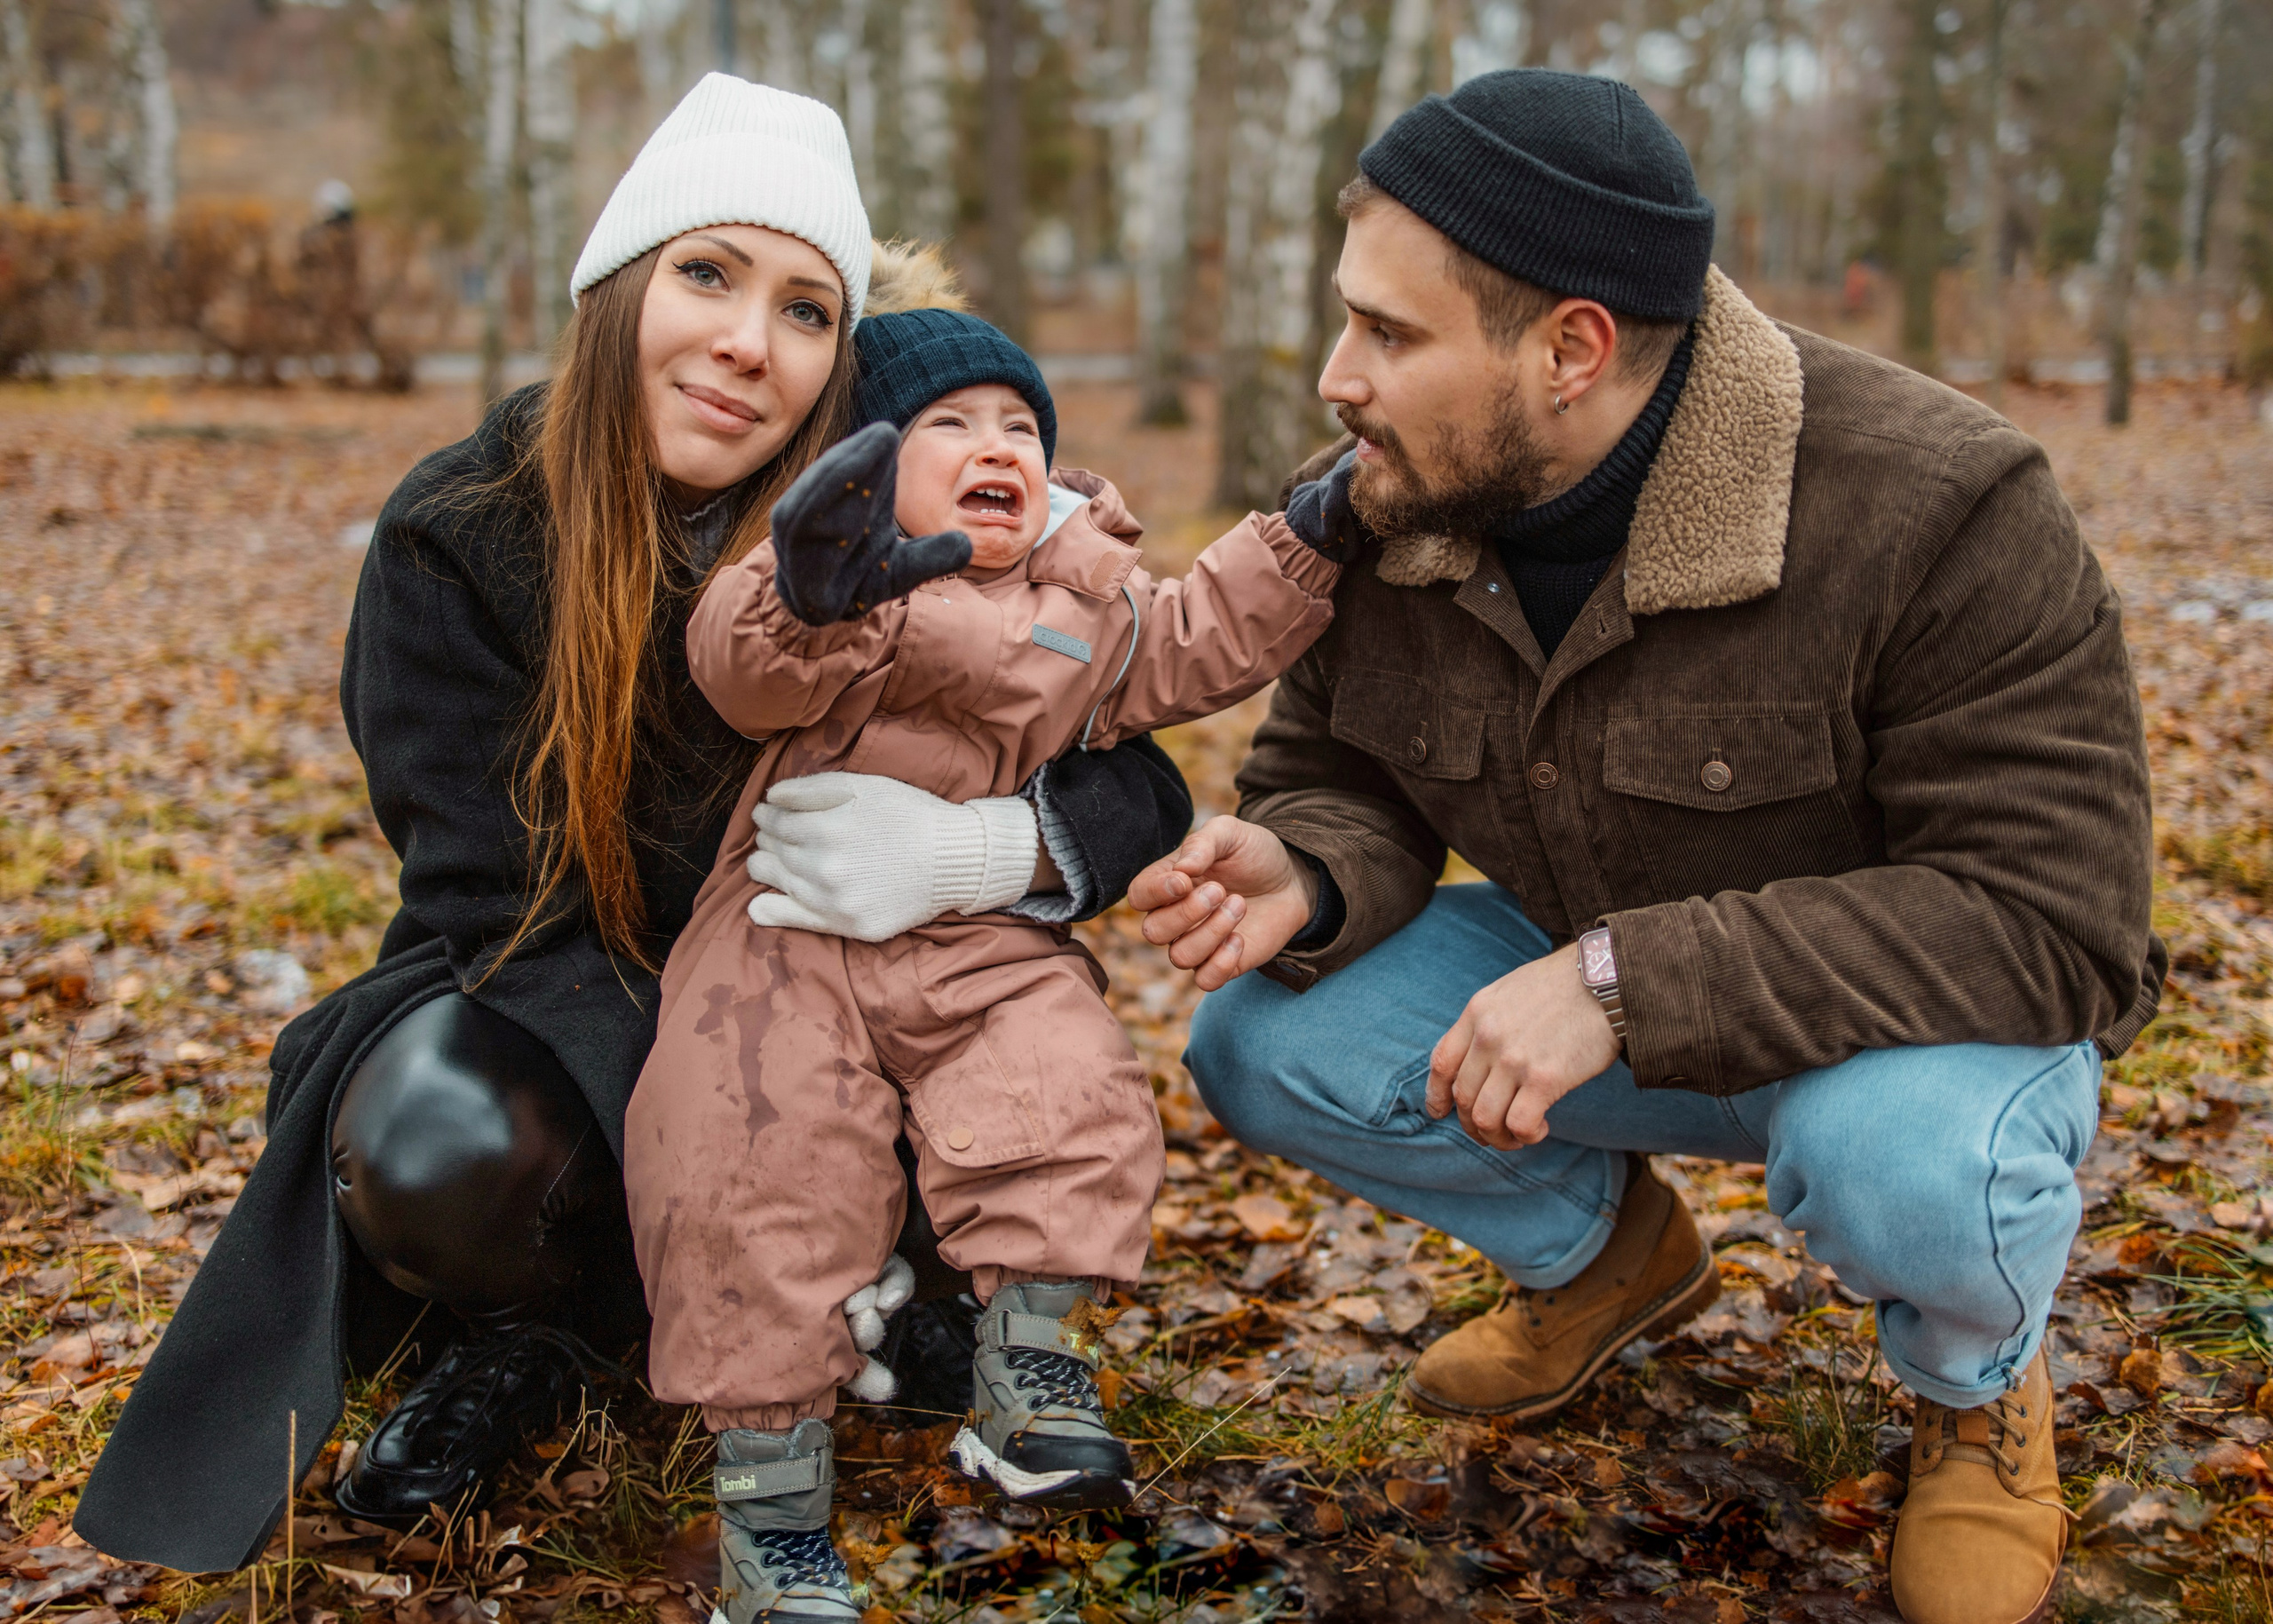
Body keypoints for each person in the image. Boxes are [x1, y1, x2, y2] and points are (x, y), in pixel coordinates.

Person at [75, 75, 1193, 1575]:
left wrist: (982, 855)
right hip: (561, 996)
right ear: (622, 288)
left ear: (837, 363)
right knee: (439, 1136)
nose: (749, 340)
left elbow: (1144, 769)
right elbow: (497, 898)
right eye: (710, 273)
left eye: (808, 311)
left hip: (860, 993)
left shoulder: (896, 536)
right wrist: (736, 1110)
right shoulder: (458, 532)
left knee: (998, 1067)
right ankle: (544, 1327)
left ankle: (861, 1297)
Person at [1130, 70, 2160, 1624]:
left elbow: (2054, 922)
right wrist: (1310, 867)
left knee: (1903, 1168)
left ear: (1573, 348)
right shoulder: (1391, 505)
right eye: (1348, 319)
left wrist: (1621, 981)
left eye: (1392, 335)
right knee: (1262, 1034)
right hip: (1601, 1007)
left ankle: (1974, 1382)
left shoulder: (1942, 506)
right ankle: (1606, 1258)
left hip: (1902, 1046)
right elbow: (1337, 771)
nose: (1339, 377)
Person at [628, 304, 1349, 1620]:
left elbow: (1195, 639)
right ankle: (771, 1513)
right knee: (747, 1157)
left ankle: (1030, 1374)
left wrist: (1305, 539)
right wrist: (809, 577)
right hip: (786, 930)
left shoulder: (1079, 602)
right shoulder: (833, 582)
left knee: (1065, 1079)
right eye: (948, 424)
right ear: (862, 463)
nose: (996, 443)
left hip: (974, 931)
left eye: (1020, 424)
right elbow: (739, 669)